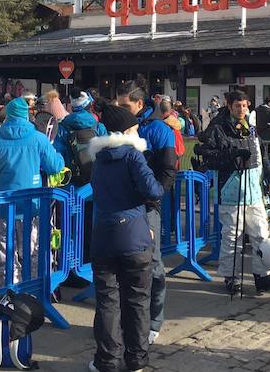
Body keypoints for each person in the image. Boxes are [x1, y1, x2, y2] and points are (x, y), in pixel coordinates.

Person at [88, 104, 163, 372]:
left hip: (104, 235)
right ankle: (136, 360)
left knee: (107, 302)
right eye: (134, 128)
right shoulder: (133, 156)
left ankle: (107, 361)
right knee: (137, 301)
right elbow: (153, 190)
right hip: (134, 237)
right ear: (126, 131)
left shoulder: (98, 159)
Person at [197, 89, 270, 296]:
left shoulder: (251, 128)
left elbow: (262, 155)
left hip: (254, 190)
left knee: (261, 234)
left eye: (244, 105)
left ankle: (263, 275)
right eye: (237, 106)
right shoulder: (218, 128)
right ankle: (232, 276)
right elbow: (208, 155)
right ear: (229, 106)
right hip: (231, 190)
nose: (241, 109)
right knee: (232, 237)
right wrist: (233, 154)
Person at [116, 82, 178, 343]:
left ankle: (154, 320)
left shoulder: (159, 129)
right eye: (118, 105)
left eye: (125, 105)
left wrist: (154, 199)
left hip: (147, 206)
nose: (120, 109)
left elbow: (168, 169)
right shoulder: (118, 126)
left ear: (139, 104)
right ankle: (128, 319)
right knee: (124, 265)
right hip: (122, 206)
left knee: (152, 264)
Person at [0, 97, 65, 285]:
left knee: (4, 254)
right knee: (33, 251)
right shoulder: (39, 139)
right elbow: (55, 166)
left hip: (2, 206)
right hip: (32, 206)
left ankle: (8, 290)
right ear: (27, 116)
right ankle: (34, 290)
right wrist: (58, 155)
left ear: (7, 116)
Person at [53, 91, 107, 182]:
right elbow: (106, 152)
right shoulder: (98, 127)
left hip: (71, 178)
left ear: (72, 107)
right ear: (89, 106)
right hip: (96, 178)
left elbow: (58, 154)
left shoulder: (62, 128)